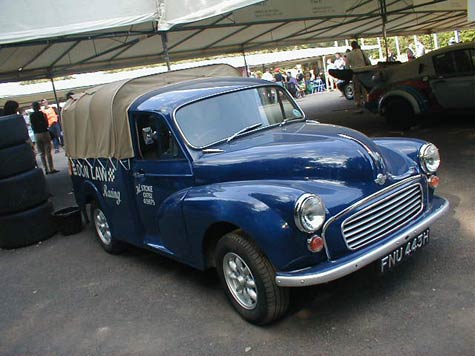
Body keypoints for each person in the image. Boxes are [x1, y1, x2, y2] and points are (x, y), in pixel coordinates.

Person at [30, 101, 58, 174]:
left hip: (37, 134)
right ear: (39, 107)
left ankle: (45, 169)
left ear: (33, 107)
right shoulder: (43, 114)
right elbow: (46, 123)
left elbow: (32, 125)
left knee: (41, 153)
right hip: (45, 133)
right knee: (48, 152)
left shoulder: (31, 115)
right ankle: (51, 168)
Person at [345, 41, 371, 110]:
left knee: (356, 89)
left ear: (351, 46)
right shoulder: (362, 52)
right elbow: (368, 62)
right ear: (357, 45)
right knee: (364, 88)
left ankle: (357, 102)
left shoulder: (349, 54)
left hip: (355, 73)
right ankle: (365, 101)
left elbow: (347, 66)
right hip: (363, 72)